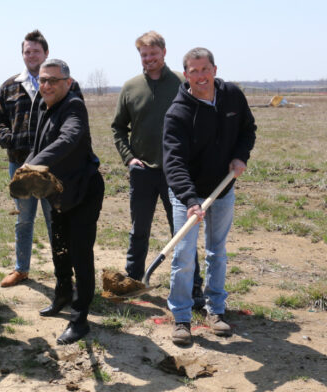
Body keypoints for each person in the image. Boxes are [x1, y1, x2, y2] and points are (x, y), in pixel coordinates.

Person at [163, 47, 256, 345]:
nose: (200, 76)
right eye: (194, 71)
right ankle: (181, 317)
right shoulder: (178, 112)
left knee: (217, 251)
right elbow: (173, 162)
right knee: (183, 255)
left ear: (214, 70)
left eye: (205, 69)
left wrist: (241, 156)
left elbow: (247, 129)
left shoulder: (232, 96)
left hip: (222, 188)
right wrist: (190, 200)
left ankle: (215, 310)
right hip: (186, 193)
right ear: (186, 74)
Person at [111, 31, 204, 307]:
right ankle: (133, 280)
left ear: (164, 52)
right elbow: (118, 128)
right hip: (143, 172)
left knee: (183, 232)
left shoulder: (181, 82)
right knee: (139, 229)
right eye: (144, 55)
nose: (148, 59)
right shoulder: (130, 87)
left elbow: (198, 120)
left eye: (153, 53)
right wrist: (128, 158)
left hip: (177, 173)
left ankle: (194, 287)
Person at [0, 30, 81, 288]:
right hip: (19, 165)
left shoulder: (61, 84)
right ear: (23, 54)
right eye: (27, 51)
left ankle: (63, 273)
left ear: (46, 53)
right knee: (23, 219)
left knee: (57, 220)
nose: (31, 55)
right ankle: (21, 269)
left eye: (36, 51)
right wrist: (7, 138)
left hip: (53, 167)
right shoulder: (10, 86)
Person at [25, 59, 104, 345]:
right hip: (56, 193)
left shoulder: (73, 106)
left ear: (67, 83)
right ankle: (61, 295)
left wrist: (35, 165)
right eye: (43, 80)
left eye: (53, 81)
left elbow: (69, 138)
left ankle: (80, 318)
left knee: (81, 254)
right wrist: (29, 163)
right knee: (59, 248)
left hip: (83, 192)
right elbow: (38, 144)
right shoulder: (42, 104)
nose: (46, 85)